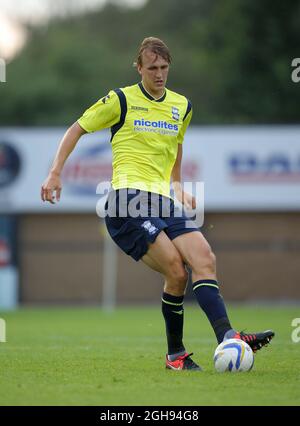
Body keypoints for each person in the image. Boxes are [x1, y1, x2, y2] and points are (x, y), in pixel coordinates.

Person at [41, 37, 274, 371]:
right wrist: (54, 173)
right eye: (152, 68)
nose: (160, 74)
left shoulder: (182, 106)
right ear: (139, 68)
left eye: (164, 67)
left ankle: (227, 337)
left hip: (163, 200)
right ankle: (177, 355)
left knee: (204, 257)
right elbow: (76, 129)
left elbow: (177, 146)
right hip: (126, 201)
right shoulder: (120, 99)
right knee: (176, 270)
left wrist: (177, 185)